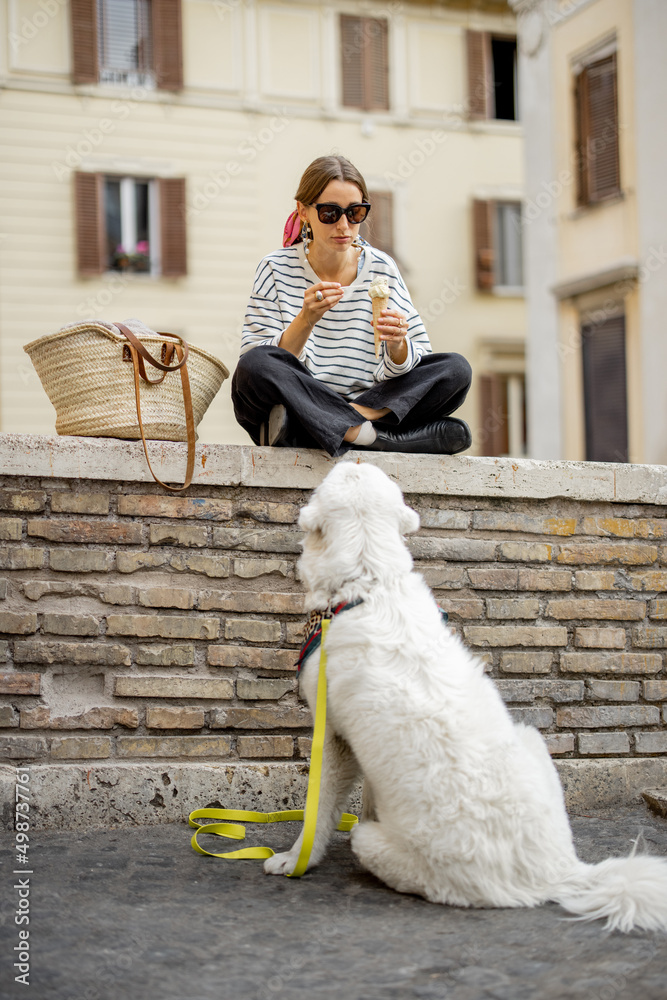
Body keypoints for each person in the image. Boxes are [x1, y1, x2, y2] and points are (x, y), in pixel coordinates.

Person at [231, 155, 472, 456]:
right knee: (255, 366)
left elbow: (417, 358)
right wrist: (305, 320)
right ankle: (371, 436)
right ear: (303, 211)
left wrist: (398, 346)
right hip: (300, 393)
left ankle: (331, 424)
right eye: (330, 213)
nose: (344, 225)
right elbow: (257, 362)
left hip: (362, 399)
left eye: (355, 212)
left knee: (455, 370)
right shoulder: (275, 268)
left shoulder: (382, 267)